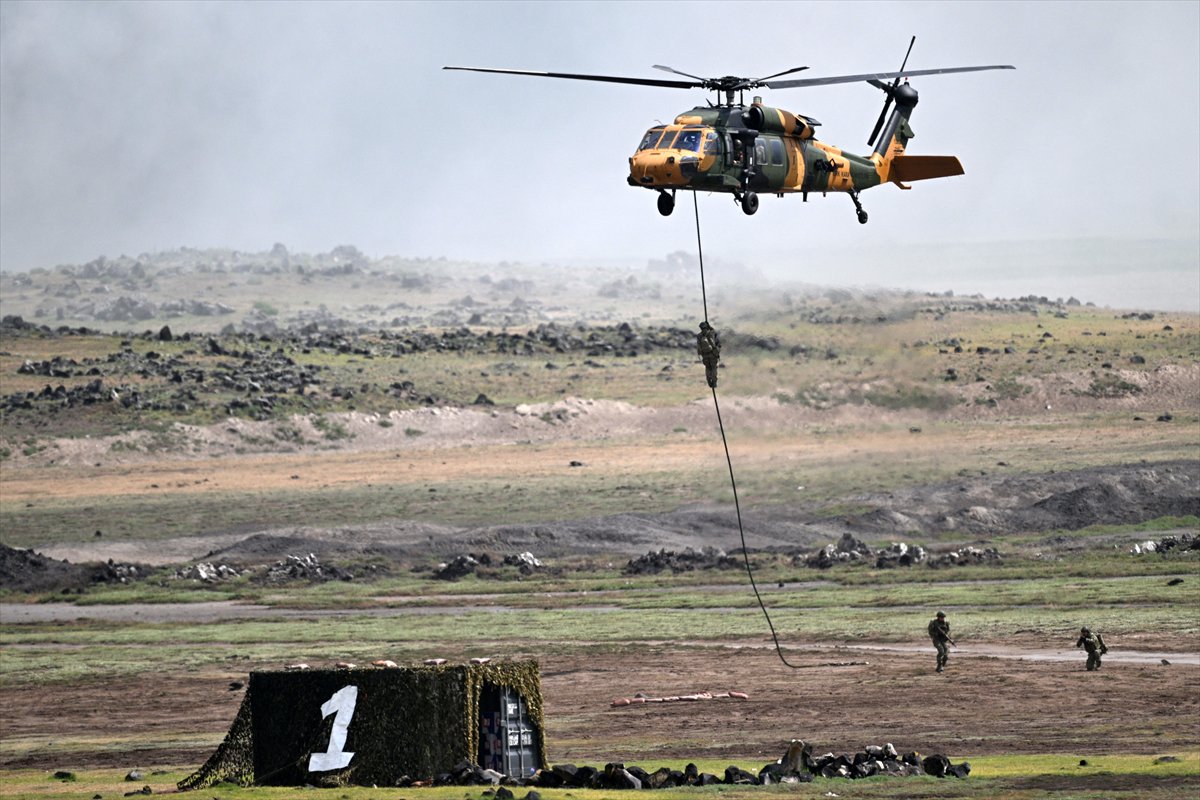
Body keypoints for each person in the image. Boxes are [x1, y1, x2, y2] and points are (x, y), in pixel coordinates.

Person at [696, 321, 721, 389]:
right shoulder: (711, 333)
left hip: (705, 356)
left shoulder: (699, 336)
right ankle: (714, 382)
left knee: (708, 368)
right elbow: (717, 340)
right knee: (713, 368)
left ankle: (709, 381)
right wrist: (709, 326)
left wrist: (700, 355)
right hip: (713, 354)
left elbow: (698, 346)